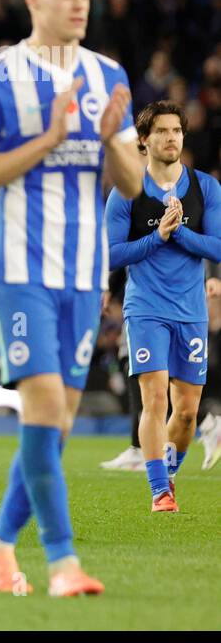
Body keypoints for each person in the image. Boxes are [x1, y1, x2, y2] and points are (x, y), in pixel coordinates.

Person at [0, 0, 142, 597]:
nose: (80, 4)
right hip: (21, 266)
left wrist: (117, 138)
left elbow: (134, 182)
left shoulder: (106, 73)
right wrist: (46, 140)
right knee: (41, 406)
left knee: (57, 423)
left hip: (85, 275)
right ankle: (63, 563)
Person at [104, 101, 220, 513]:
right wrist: (158, 238)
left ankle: (168, 471)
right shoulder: (127, 193)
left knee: (186, 413)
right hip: (146, 307)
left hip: (191, 311)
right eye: (162, 131)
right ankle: (160, 491)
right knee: (154, 399)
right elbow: (112, 255)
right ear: (144, 140)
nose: (171, 138)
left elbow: (219, 246)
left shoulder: (205, 188)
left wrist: (179, 233)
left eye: (177, 131)